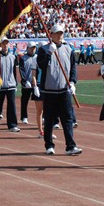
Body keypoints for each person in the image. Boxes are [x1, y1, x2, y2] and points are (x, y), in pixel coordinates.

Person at [37, 24, 82, 155]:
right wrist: (49, 53)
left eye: (61, 33)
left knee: (67, 119)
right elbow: (41, 65)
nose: (59, 36)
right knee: (49, 119)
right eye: (56, 33)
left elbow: (73, 68)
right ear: (51, 35)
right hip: (49, 90)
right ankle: (49, 145)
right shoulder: (44, 50)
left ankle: (70, 146)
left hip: (64, 90)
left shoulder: (68, 49)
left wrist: (72, 82)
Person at [0, 37, 20, 132]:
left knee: (12, 105)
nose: (5, 45)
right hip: (0, 86)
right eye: (3, 43)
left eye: (6, 43)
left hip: (11, 85)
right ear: (0, 45)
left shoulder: (13, 57)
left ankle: (12, 125)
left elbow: (14, 71)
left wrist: (15, 83)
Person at [19, 41, 38, 125]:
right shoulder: (23, 58)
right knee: (24, 101)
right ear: (27, 49)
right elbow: (21, 70)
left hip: (36, 84)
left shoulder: (37, 57)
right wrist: (25, 80)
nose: (33, 50)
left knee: (39, 101)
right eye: (31, 48)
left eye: (34, 48)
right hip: (26, 84)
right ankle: (24, 117)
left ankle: (42, 116)